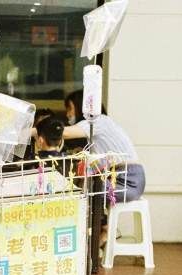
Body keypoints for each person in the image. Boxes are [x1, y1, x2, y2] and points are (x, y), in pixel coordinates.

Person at [62, 90, 145, 242]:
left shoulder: (99, 122)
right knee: (87, 188)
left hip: (130, 179)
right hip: (123, 176)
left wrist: (35, 130)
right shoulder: (94, 133)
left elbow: (65, 133)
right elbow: (97, 165)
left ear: (80, 108)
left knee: (90, 192)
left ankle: (106, 230)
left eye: (69, 109)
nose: (68, 115)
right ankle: (101, 231)